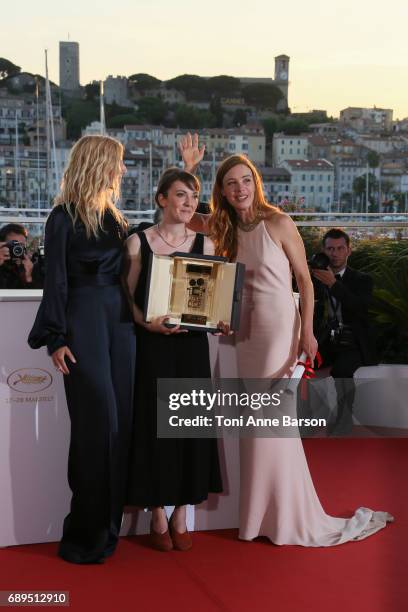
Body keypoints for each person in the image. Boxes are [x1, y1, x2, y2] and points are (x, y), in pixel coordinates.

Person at [184, 141, 393, 546]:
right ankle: (261, 516)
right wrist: (189, 168)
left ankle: (281, 517)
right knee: (257, 426)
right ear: (223, 191)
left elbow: (304, 280)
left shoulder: (277, 222)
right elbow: (186, 215)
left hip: (279, 329)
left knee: (269, 423)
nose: (240, 188)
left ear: (255, 183)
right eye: (231, 183)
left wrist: (307, 332)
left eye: (246, 180)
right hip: (243, 332)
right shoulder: (224, 226)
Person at [28, 135, 136, 564]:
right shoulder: (62, 218)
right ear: (99, 164)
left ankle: (110, 526)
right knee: (96, 428)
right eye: (119, 163)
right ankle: (86, 532)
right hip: (84, 323)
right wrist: (56, 336)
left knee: (120, 426)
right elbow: (54, 280)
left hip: (122, 326)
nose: (123, 171)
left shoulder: (114, 217)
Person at [124, 167, 223, 552]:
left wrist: (219, 322)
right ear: (162, 199)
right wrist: (147, 325)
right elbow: (127, 300)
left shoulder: (206, 244)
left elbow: (212, 303)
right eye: (180, 195)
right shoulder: (138, 242)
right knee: (154, 427)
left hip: (192, 348)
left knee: (189, 426)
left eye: (193, 196)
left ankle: (182, 510)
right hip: (153, 347)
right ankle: (157, 511)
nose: (188, 203)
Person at [311, 228, 378, 435]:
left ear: (349, 251)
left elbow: (360, 308)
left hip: (352, 340)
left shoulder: (362, 279)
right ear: (324, 251)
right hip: (325, 338)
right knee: (299, 367)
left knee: (342, 370)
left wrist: (333, 284)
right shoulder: (313, 279)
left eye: (340, 248)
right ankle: (303, 421)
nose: (335, 253)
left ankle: (344, 417)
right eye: (330, 249)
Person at [0, 223, 43, 289]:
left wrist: (28, 277)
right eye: (13, 244)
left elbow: (35, 297)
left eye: (21, 245)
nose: (17, 249)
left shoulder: (31, 267)